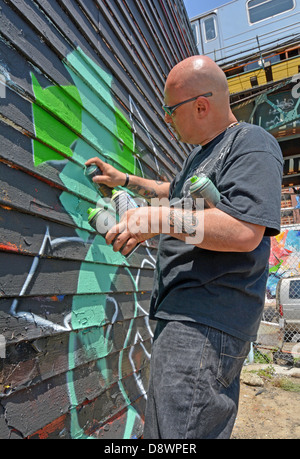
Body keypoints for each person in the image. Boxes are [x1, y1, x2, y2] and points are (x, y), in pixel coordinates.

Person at [85, 55, 283, 439]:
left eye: (169, 111)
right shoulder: (200, 155)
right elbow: (170, 193)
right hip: (185, 319)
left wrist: (153, 220)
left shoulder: (252, 143)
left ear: (202, 105)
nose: (166, 120)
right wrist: (123, 178)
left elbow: (244, 229)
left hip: (206, 320)